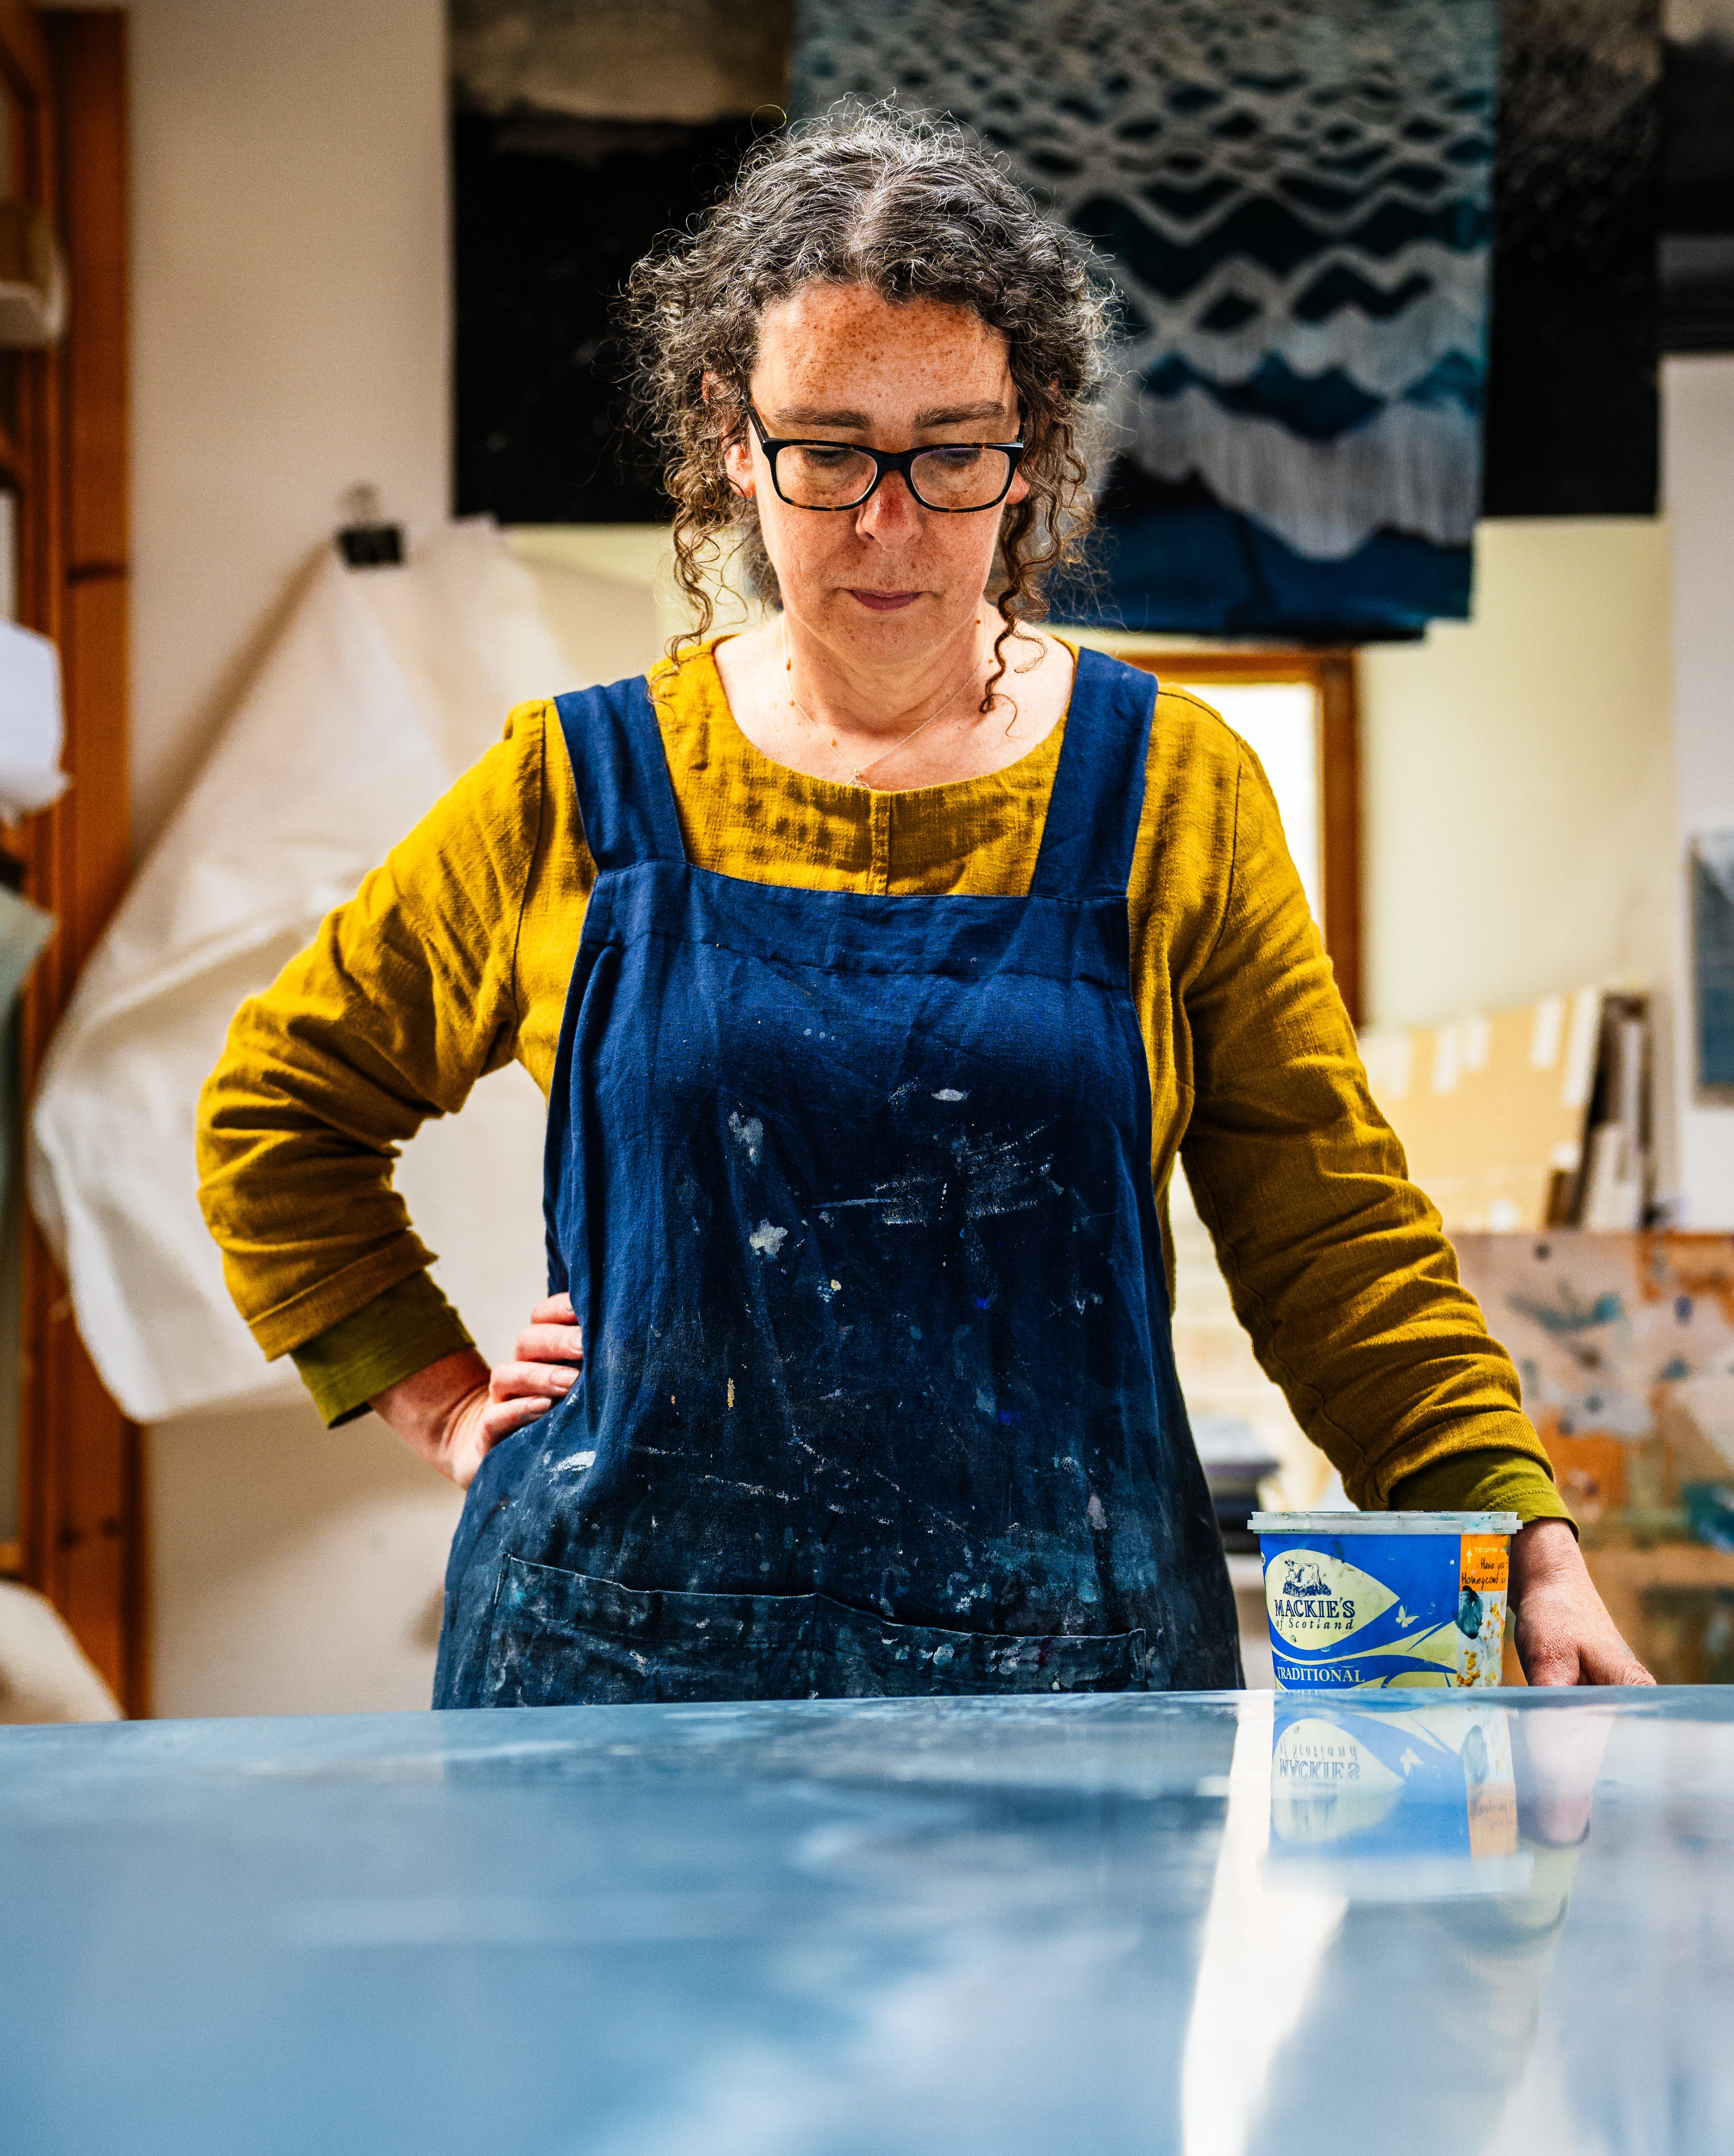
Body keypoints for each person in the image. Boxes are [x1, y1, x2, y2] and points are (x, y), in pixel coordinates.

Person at [197, 107, 1649, 1705]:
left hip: (1071, 1699)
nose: (890, 524)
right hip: (613, 1692)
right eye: (830, 450)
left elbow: (1335, 1238)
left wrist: (1525, 1536)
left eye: (953, 451)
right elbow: (276, 1111)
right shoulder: (575, 786)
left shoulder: (1174, 793)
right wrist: (442, 1400)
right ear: (733, 438)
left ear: (1032, 448)